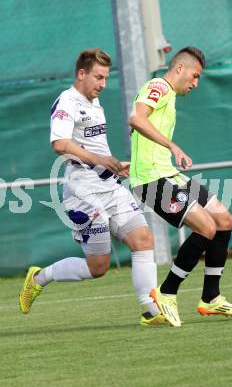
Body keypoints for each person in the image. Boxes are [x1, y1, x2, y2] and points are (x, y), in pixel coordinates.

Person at [19, 48, 167, 326]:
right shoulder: (68, 102)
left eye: (106, 78)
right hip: (83, 194)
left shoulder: (94, 102)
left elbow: (94, 147)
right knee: (97, 267)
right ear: (81, 74)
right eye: (98, 77)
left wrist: (113, 165)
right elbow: (60, 144)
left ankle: (151, 310)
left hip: (110, 187)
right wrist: (99, 160)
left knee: (143, 239)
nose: (102, 84)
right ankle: (39, 277)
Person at [129, 46, 232, 327]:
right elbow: (136, 118)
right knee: (206, 227)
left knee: (224, 219)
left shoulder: (169, 96)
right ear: (180, 68)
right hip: (151, 180)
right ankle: (166, 293)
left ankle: (211, 298)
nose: (195, 83)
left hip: (168, 173)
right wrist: (171, 145)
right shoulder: (158, 86)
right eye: (195, 76)